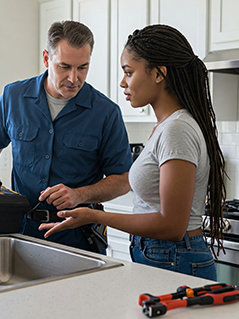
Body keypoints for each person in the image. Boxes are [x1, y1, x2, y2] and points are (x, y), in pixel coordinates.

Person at [40, 24, 227, 281]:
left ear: (159, 74)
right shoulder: (166, 126)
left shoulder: (177, 130)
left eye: (129, 72)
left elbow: (172, 226)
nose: (122, 82)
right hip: (163, 255)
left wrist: (93, 215)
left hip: (175, 257)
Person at [0, 20, 132, 253]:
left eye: (82, 67)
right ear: (46, 59)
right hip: (21, 231)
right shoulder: (13, 96)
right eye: (64, 67)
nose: (74, 78)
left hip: (78, 238)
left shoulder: (106, 112)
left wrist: (79, 194)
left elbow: (123, 179)